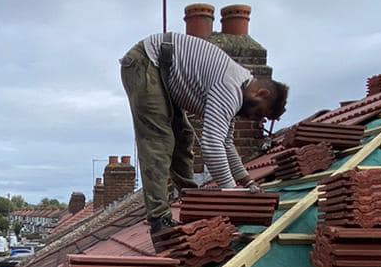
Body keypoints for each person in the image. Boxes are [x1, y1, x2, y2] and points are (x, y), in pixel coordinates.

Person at [120, 31, 288, 248]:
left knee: (183, 136)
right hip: (145, 62)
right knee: (159, 140)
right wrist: (232, 194)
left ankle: (192, 202)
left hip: (161, 70)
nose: (254, 119)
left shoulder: (238, 86)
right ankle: (159, 221)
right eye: (259, 113)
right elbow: (211, 144)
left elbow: (226, 143)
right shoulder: (231, 88)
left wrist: (246, 180)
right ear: (262, 93)